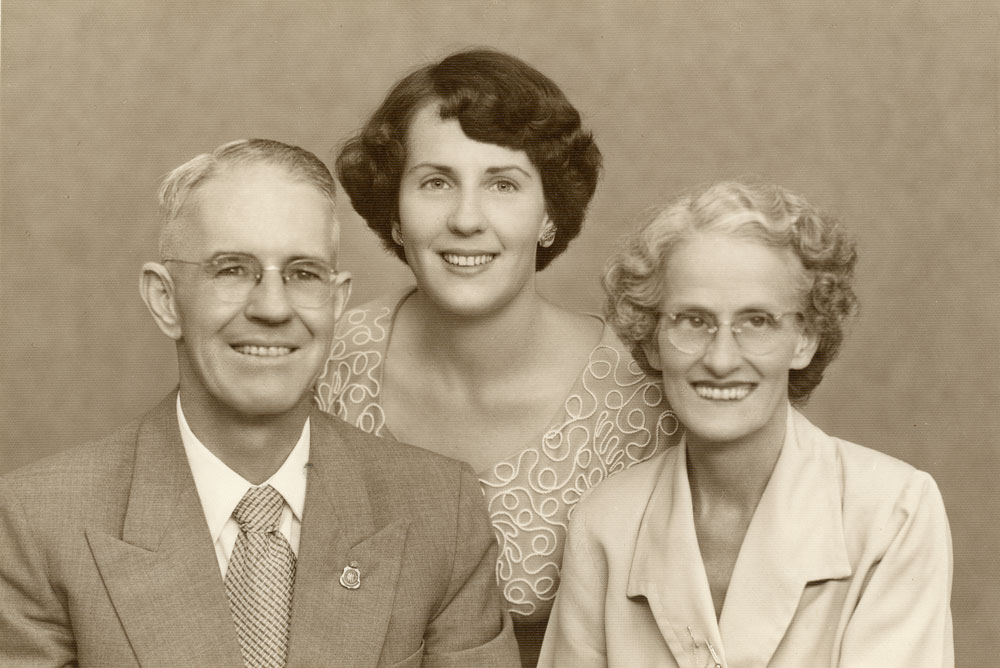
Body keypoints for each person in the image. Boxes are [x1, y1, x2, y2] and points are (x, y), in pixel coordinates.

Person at [0, 139, 519, 668]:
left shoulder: (441, 512)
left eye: (302, 273)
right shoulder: (36, 523)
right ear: (165, 300)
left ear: (336, 303)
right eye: (231, 269)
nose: (272, 307)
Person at [314, 49, 681, 664]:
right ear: (395, 213)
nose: (465, 218)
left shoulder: (645, 399)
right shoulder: (325, 361)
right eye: (435, 182)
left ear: (549, 215)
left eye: (503, 184)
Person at [538, 182, 953, 667]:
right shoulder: (606, 519)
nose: (720, 359)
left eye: (756, 321)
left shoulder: (893, 511)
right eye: (693, 320)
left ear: (805, 339)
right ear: (651, 339)